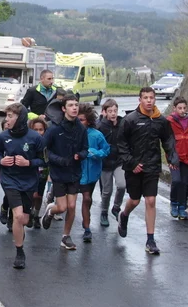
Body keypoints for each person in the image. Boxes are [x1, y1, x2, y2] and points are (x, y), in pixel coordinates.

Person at [114, 87, 177, 255]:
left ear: (154, 99)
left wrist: (172, 158)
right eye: (145, 98)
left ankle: (150, 240)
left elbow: (168, 140)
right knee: (134, 201)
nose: (149, 100)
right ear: (140, 100)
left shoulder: (161, 121)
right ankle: (124, 215)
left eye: (151, 97)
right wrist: (131, 163)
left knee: (150, 201)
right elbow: (121, 144)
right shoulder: (130, 120)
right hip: (134, 167)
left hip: (152, 166)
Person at [0, 103, 45, 269]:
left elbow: (44, 160)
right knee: (17, 216)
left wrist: (28, 163)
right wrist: (1, 161)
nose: (6, 119)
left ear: (20, 118)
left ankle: (19, 235)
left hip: (29, 181)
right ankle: (19, 252)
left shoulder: (35, 138)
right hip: (9, 179)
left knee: (24, 219)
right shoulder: (3, 136)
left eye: (10, 116)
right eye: (6, 116)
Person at [39, 97, 87, 250]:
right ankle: (50, 211)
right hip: (59, 173)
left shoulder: (81, 128)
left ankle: (65, 237)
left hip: (74, 172)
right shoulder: (54, 128)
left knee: (72, 206)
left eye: (76, 105)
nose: (74, 108)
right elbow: (44, 150)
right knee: (62, 207)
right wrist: (58, 160)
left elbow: (85, 148)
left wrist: (80, 155)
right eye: (71, 105)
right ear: (64, 109)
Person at [76, 103, 110, 244]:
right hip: (76, 173)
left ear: (89, 121)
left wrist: (94, 153)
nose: (79, 122)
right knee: (83, 198)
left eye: (82, 120)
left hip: (92, 174)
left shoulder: (96, 135)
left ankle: (87, 226)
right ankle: (86, 228)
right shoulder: (71, 134)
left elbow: (106, 150)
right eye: (77, 119)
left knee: (87, 199)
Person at [166, 97, 188, 221]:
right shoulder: (170, 121)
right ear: (174, 108)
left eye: (184, 108)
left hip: (186, 158)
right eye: (179, 108)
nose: (182, 110)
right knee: (176, 180)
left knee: (184, 183)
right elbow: (167, 141)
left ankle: (182, 207)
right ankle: (173, 203)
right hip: (175, 158)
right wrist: (170, 158)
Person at [97, 99, 125, 228]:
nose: (113, 113)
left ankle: (116, 207)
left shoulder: (122, 124)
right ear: (105, 112)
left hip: (118, 161)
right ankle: (104, 212)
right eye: (110, 111)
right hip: (105, 163)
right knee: (107, 191)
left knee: (122, 185)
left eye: (115, 111)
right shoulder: (101, 126)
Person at [27, 117, 49, 229]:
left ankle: (36, 215)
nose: (38, 132)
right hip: (31, 171)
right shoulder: (28, 141)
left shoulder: (46, 142)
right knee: (32, 194)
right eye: (35, 130)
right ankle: (30, 213)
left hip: (43, 171)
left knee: (39, 196)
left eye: (41, 129)